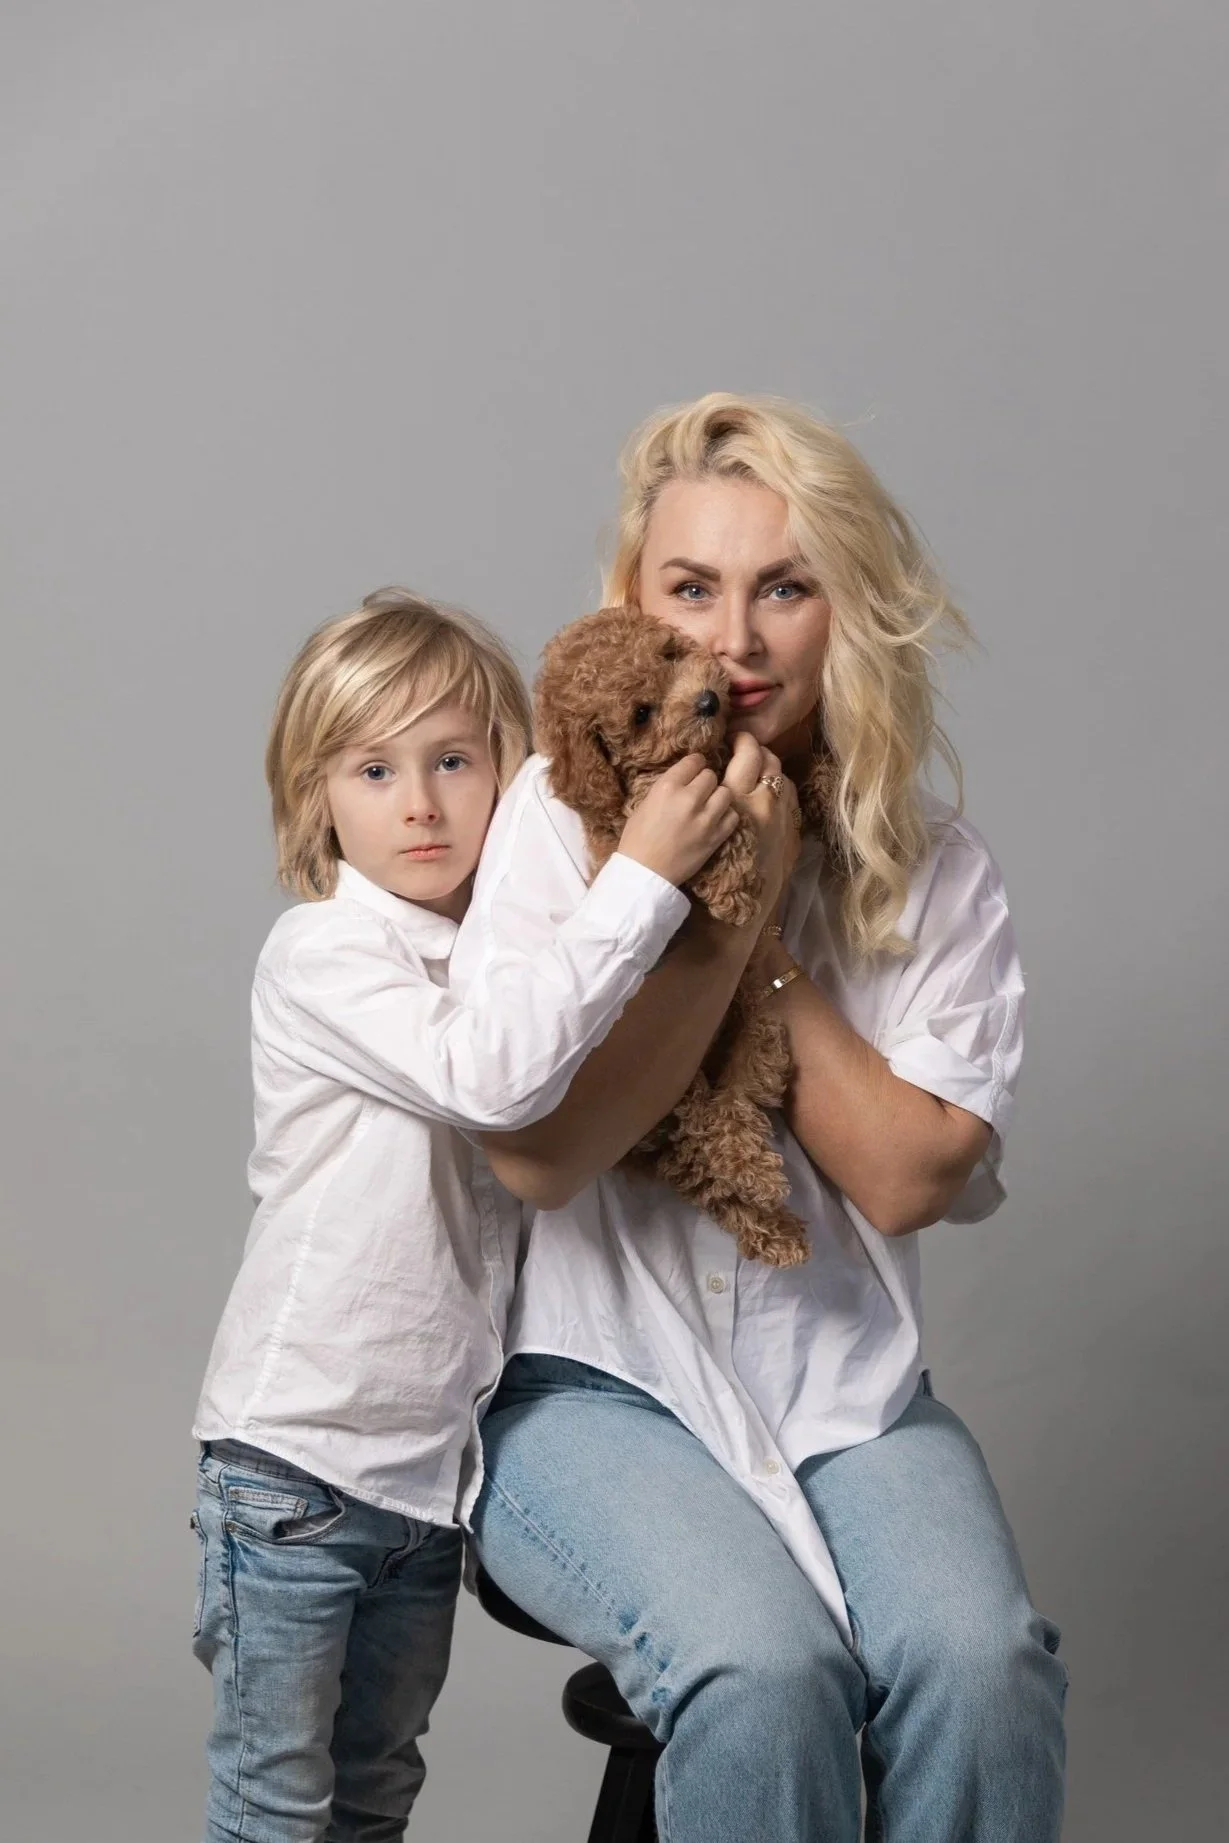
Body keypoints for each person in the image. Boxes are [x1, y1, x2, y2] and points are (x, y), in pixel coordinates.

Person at [453, 395, 1069, 1843]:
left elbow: (911, 1173)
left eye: (783, 587)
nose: (734, 639)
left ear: (842, 611)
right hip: (593, 1390)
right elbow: (540, 1153)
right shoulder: (554, 819)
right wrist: (706, 905)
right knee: (765, 1667)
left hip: (848, 1396)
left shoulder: (933, 867)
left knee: (982, 1668)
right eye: (691, 587)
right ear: (633, 606)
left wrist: (771, 907)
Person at [190, 586, 747, 1843]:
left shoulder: (506, 964)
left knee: (377, 1789)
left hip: (421, 1485)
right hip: (293, 1464)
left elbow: (563, 1062)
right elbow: (496, 1071)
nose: (422, 803)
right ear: (314, 795)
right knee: (275, 1803)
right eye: (374, 768)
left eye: (454, 759)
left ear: (509, 770)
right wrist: (647, 878)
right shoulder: (325, 955)